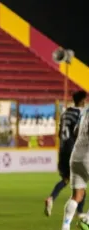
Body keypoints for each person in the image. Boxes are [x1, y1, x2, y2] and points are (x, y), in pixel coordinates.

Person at [45, 90, 87, 218]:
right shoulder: (80, 114)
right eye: (85, 100)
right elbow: (79, 132)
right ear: (81, 101)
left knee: (65, 179)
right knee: (82, 181)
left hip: (62, 149)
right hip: (73, 150)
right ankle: (80, 213)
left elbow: (60, 134)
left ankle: (51, 197)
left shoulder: (64, 113)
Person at [59, 93, 89, 230]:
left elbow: (76, 131)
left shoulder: (84, 111)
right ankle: (87, 220)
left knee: (77, 195)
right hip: (88, 156)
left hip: (76, 155)